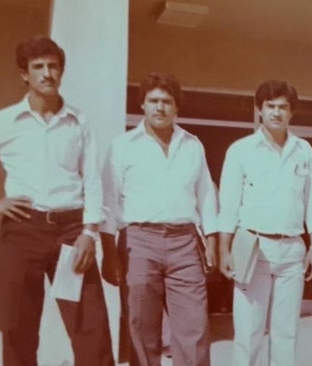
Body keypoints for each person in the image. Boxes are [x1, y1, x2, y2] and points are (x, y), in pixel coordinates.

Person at [0, 35, 114, 366]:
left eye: (53, 66)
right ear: (24, 75)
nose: (47, 73)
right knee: (19, 326)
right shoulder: (4, 122)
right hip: (22, 233)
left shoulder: (78, 121)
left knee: (90, 326)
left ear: (61, 72)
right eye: (38, 67)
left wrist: (90, 231)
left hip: (71, 232)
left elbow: (91, 178)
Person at [100, 72, 217, 366]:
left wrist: (213, 240)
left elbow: (206, 195)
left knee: (194, 327)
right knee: (141, 326)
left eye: (167, 101)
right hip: (138, 243)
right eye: (153, 100)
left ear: (177, 107)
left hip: (185, 243)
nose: (160, 107)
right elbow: (108, 201)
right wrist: (109, 253)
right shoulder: (123, 146)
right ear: (142, 105)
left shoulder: (193, 145)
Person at [217, 80, 312, 366]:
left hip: (291, 250)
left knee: (286, 333)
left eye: (283, 107)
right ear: (259, 111)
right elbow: (228, 206)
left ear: (292, 113)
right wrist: (224, 250)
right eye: (271, 106)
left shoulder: (304, 150)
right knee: (249, 331)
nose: (277, 113)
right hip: (253, 247)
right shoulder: (241, 150)